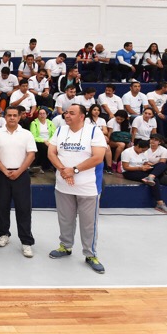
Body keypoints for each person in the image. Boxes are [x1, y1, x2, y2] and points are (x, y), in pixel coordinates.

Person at [47, 104, 108, 274]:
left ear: (82, 116)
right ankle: (65, 246)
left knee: (88, 224)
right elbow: (51, 153)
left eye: (71, 113)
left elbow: (98, 157)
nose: (67, 115)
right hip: (63, 185)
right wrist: (64, 171)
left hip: (88, 187)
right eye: (66, 112)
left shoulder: (94, 132)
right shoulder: (60, 131)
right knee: (65, 219)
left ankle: (90, 254)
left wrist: (73, 170)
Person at [0, 106, 37, 257]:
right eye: (9, 115)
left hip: (21, 175)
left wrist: (19, 171)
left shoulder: (27, 134)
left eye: (15, 115)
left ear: (20, 117)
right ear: (5, 117)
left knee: (23, 208)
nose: (12, 118)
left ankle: (26, 242)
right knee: (2, 206)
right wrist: (4, 170)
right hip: (2, 174)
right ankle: (4, 234)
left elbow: (31, 155)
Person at [121, 139, 167, 214]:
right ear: (137, 146)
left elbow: (145, 162)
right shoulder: (127, 152)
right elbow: (125, 167)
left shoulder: (143, 152)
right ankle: (160, 203)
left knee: (162, 164)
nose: (143, 152)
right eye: (142, 150)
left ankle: (151, 176)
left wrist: (149, 166)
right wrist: (140, 168)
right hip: (130, 172)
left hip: (142, 169)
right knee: (155, 180)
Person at [29, 107, 56, 172]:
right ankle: (45, 166)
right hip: (39, 141)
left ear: (47, 115)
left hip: (50, 141)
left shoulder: (50, 123)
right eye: (40, 114)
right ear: (38, 115)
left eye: (44, 113)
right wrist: (44, 141)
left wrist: (49, 141)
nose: (42, 115)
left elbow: (54, 135)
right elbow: (33, 136)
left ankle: (53, 166)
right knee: (44, 147)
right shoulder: (34, 123)